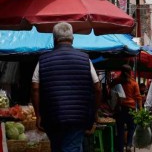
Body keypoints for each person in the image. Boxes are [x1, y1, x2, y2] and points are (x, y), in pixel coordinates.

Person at [31, 22, 102, 152]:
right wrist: (94, 114)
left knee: (57, 147)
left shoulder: (42, 60)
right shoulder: (85, 59)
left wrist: (38, 115)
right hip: (78, 119)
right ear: (72, 38)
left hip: (52, 118)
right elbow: (97, 87)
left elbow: (35, 88)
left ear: (54, 39)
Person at [112, 64, 143, 152]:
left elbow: (110, 88)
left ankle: (120, 148)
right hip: (130, 108)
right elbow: (138, 97)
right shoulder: (133, 83)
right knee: (131, 127)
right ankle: (129, 144)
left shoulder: (117, 81)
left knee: (120, 129)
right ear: (130, 72)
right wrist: (140, 110)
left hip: (120, 108)